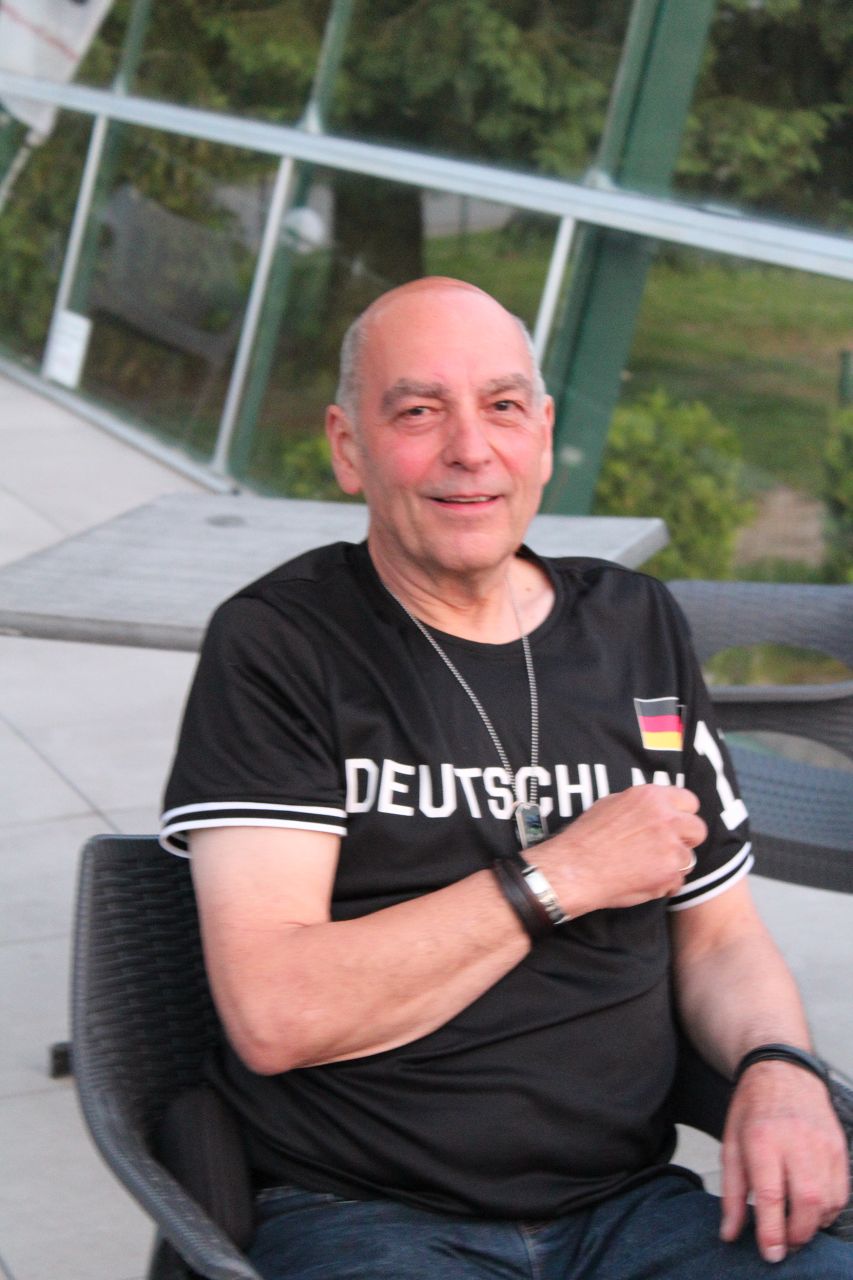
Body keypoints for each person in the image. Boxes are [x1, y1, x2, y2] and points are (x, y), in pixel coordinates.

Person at [160, 277, 850, 1279]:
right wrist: (560, 876)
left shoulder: (634, 626)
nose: (470, 449)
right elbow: (276, 1013)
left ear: (544, 432)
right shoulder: (281, 647)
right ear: (347, 446)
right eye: (418, 411)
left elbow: (719, 935)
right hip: (366, 1214)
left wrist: (778, 1067)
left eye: (502, 405)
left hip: (630, 1209)